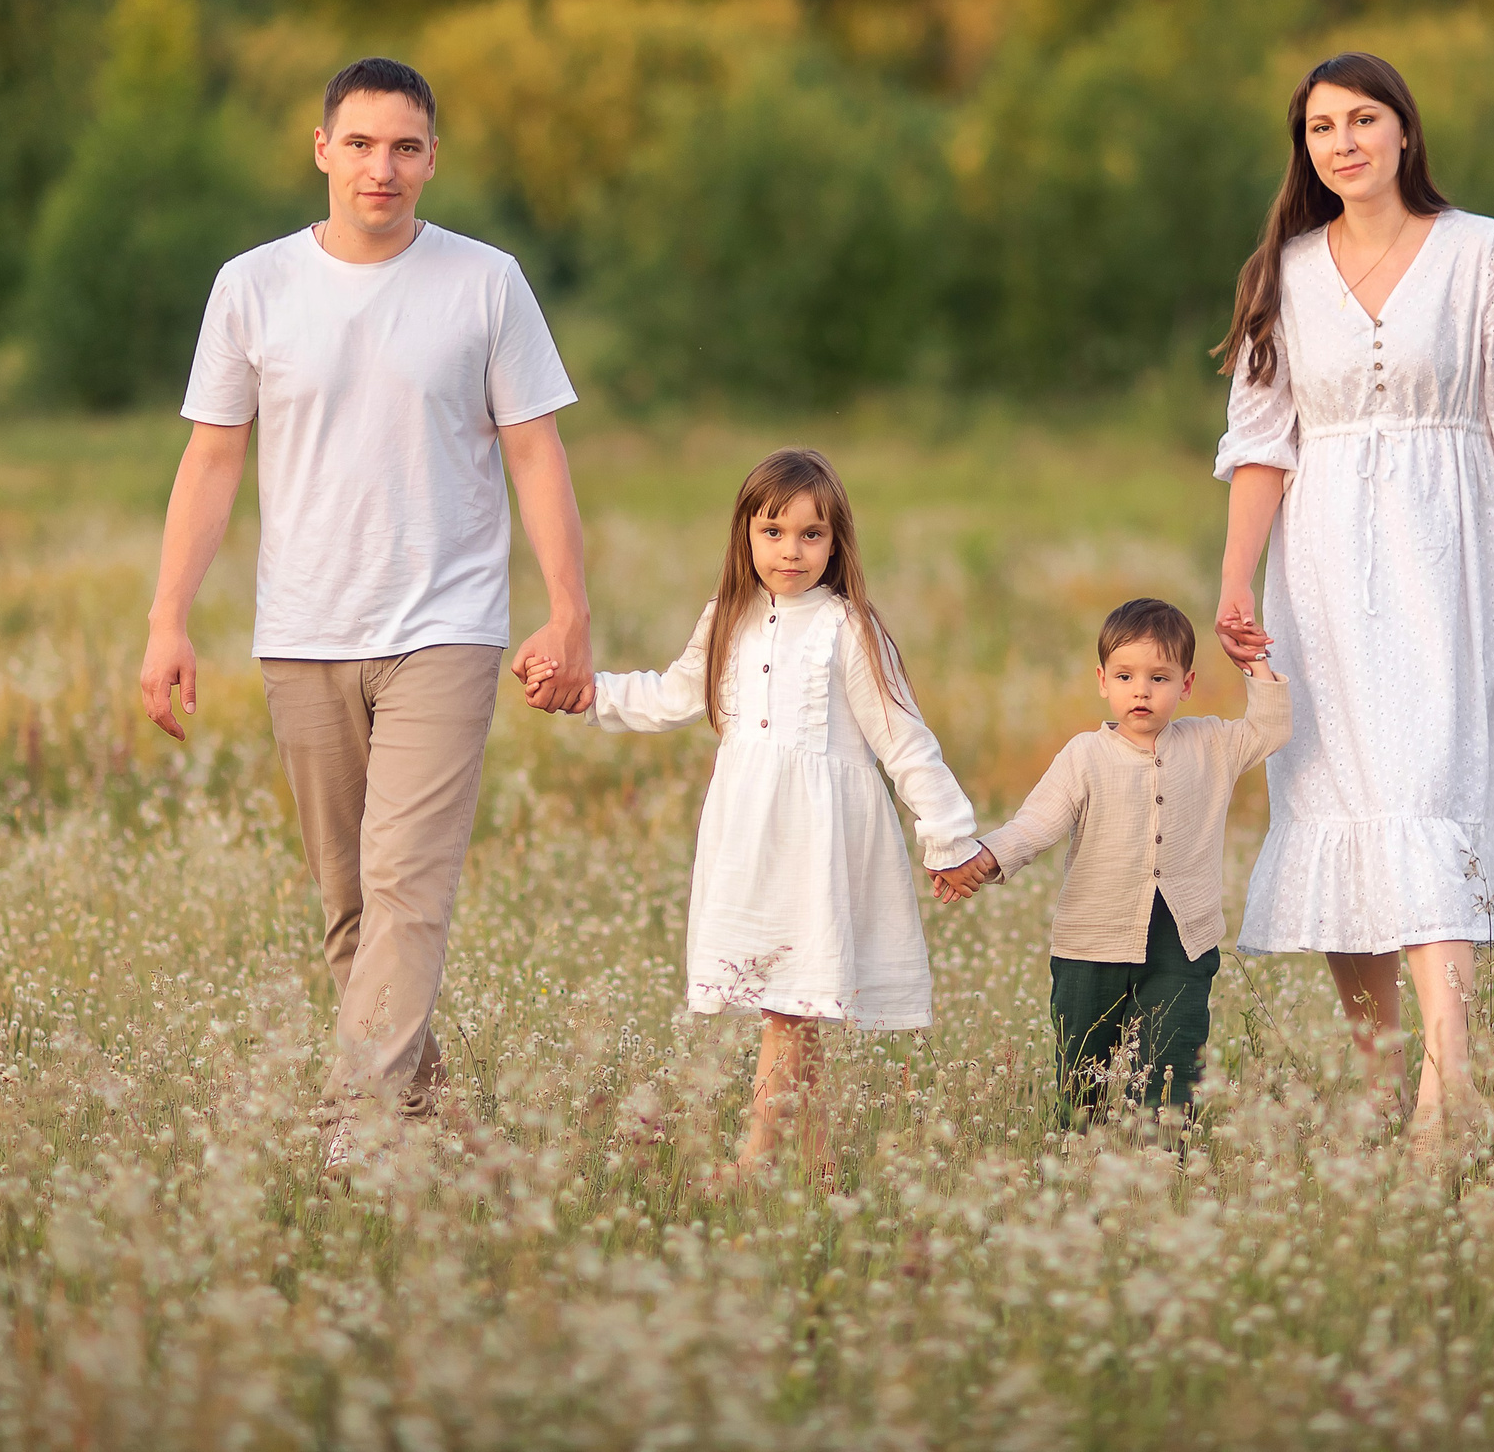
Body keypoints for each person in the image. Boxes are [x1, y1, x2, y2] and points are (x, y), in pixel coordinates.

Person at [137, 57, 593, 1176]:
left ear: (433, 158)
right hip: (302, 632)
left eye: (404, 147)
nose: (381, 167)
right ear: (321, 148)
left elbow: (535, 448)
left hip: (447, 624)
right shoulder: (252, 285)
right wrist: (167, 621)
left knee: (403, 885)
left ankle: (353, 1135)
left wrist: (568, 608)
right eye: (361, 144)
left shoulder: (486, 282)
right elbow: (210, 457)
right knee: (351, 908)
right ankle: (441, 1134)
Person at [1210, 50, 1494, 1164]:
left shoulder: (1481, 252)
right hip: (1319, 567)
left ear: (1403, 131)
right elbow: (1259, 445)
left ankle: (1449, 1086)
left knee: (1432, 790)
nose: (1342, 142)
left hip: (1446, 556)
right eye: (1321, 127)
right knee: (1335, 802)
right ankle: (1387, 1084)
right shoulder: (1280, 272)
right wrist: (1236, 579)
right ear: (1307, 150)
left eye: (1363, 118)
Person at [537, 447, 979, 1177]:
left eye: (813, 534)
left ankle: (753, 1159)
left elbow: (903, 740)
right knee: (790, 1002)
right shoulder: (728, 618)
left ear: (837, 542)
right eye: (774, 531)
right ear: (746, 533)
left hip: (819, 842)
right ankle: (818, 1162)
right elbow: (674, 694)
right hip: (750, 836)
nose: (792, 550)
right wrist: (589, 693)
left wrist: (949, 838)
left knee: (789, 1005)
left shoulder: (848, 627)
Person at [934, 599, 1288, 1121]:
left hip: (1182, 942)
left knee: (1171, 1067)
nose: (1141, 690)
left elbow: (1270, 729)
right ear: (1103, 680)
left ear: (1186, 685)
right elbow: (1036, 825)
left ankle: (1162, 1164)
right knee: (1083, 1076)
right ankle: (1080, 1164)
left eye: (1159, 678)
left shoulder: (1211, 742)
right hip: (1090, 943)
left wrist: (1255, 662)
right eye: (1125, 676)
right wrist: (984, 860)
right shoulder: (1085, 754)